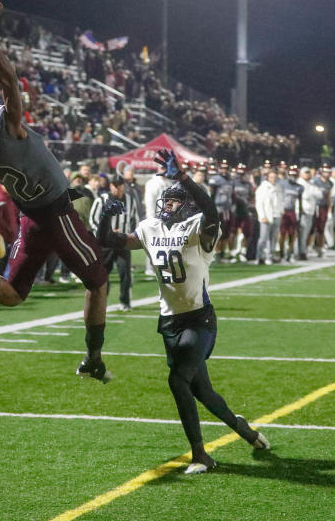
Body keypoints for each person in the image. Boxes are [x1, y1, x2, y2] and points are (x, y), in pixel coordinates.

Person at [0, 1, 111, 382]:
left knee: (14, 293)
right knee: (98, 281)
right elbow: (9, 80)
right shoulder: (6, 129)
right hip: (54, 214)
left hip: (31, 216)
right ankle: (93, 357)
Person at [96, 148, 269, 473]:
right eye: (167, 200)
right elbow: (107, 239)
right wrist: (107, 213)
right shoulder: (149, 228)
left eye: (175, 201)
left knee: (178, 381)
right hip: (169, 322)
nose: (168, 205)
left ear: (188, 205)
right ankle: (244, 429)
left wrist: (184, 177)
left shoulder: (196, 229)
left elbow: (211, 210)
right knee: (201, 391)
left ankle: (200, 454)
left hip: (199, 320)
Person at [89, 176, 137, 311]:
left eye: (119, 185)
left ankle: (125, 301)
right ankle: (102, 301)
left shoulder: (130, 200)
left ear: (123, 186)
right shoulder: (102, 200)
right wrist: (106, 232)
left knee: (125, 273)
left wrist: (131, 235)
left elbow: (135, 219)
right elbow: (93, 220)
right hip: (106, 243)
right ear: (110, 186)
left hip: (122, 241)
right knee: (104, 274)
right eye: (114, 185)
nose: (117, 187)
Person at [254, 169, 279, 265]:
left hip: (276, 215)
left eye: (274, 177)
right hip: (266, 216)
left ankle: (270, 256)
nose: (273, 179)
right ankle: (260, 256)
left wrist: (280, 211)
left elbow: (279, 201)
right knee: (263, 238)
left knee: (273, 238)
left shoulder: (277, 187)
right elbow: (259, 204)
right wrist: (262, 216)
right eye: (271, 177)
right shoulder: (262, 188)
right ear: (267, 178)